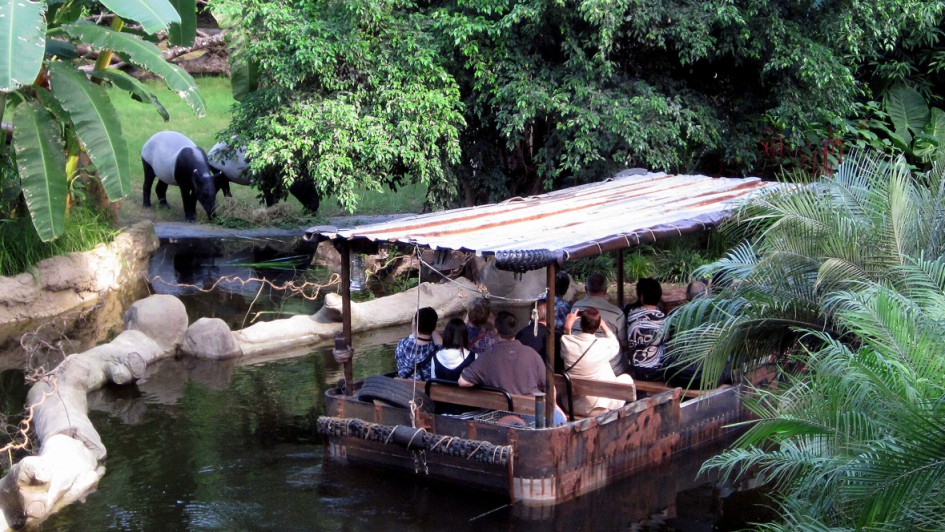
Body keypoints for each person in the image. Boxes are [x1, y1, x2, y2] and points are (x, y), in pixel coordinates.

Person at [460, 311, 567, 425]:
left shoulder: (487, 357)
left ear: (496, 331)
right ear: (515, 331)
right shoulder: (531, 353)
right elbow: (549, 386)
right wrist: (555, 406)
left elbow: (463, 382)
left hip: (503, 414)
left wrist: (483, 382)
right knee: (559, 419)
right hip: (533, 413)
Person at [561, 307, 636, 416]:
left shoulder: (566, 341)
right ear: (598, 326)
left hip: (571, 405)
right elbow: (615, 345)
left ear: (581, 325)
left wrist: (567, 328)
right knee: (626, 378)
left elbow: (567, 339)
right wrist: (605, 327)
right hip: (598, 408)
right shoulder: (603, 345)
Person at [570, 272, 627, 373]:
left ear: (586, 289)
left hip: (578, 366)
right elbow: (624, 344)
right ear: (605, 290)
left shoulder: (576, 308)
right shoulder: (617, 313)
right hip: (609, 369)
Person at [626, 278, 667, 381]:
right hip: (658, 370)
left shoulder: (631, 315)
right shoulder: (665, 319)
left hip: (636, 369)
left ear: (641, 296)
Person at [395, 307, 439, 380]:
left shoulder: (402, 344)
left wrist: (415, 326)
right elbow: (441, 345)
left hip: (401, 385)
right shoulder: (436, 352)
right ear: (434, 327)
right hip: (423, 387)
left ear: (415, 324)